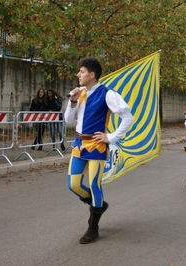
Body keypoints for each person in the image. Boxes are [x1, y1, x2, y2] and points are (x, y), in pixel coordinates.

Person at [64, 58, 134, 244]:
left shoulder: (108, 94)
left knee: (95, 186)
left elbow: (128, 117)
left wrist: (110, 137)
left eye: (82, 71)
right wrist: (72, 101)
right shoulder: (81, 94)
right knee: (73, 185)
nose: (78, 75)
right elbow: (68, 120)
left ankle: (93, 227)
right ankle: (99, 206)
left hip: (96, 146)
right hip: (79, 145)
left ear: (92, 74)